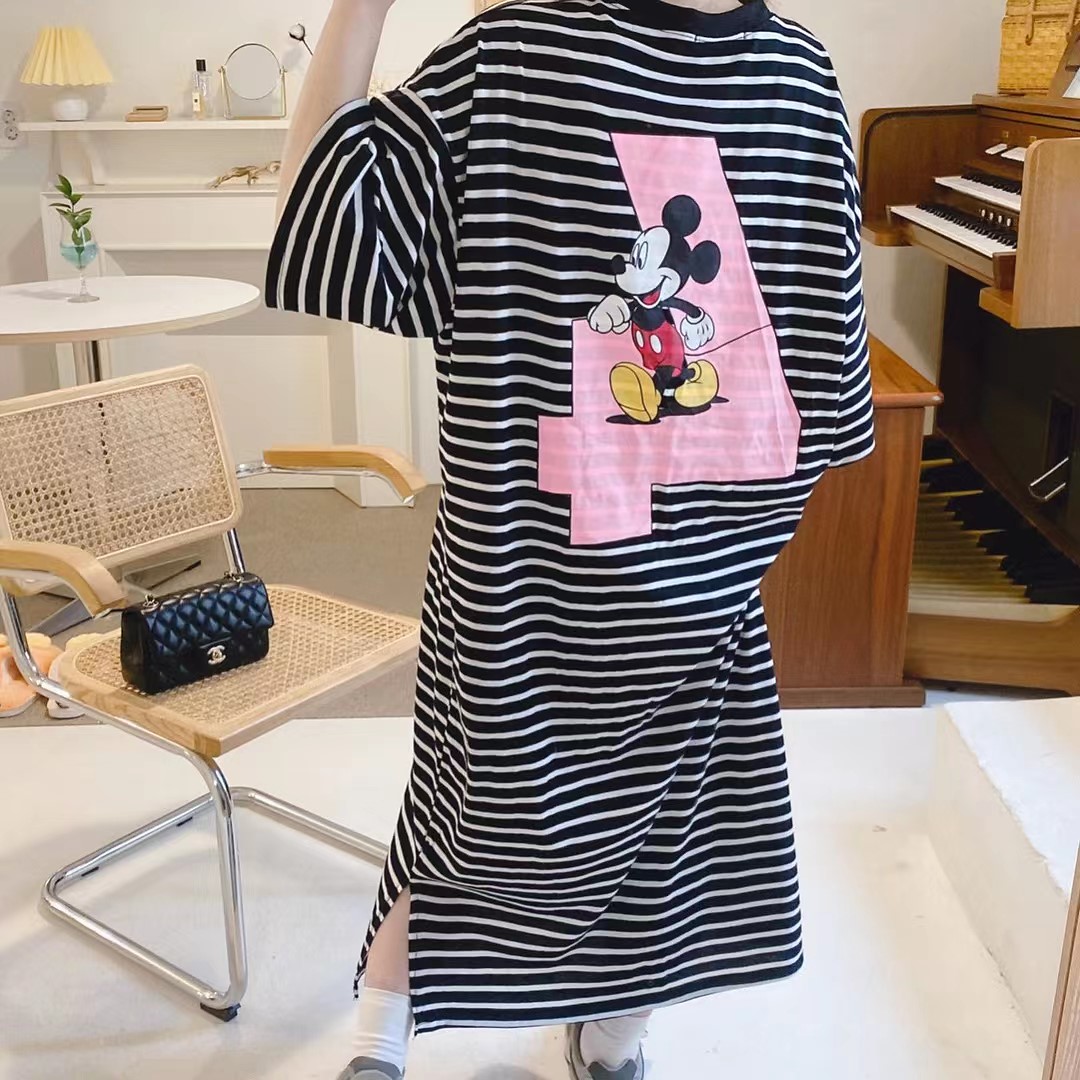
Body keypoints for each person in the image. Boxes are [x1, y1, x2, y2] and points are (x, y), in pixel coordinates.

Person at [268, 0, 874, 1076]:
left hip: (591, 585)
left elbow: (322, 220)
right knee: (576, 822)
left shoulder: (539, 57)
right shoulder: (767, 75)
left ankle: (521, 1035)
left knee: (547, 818)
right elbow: (829, 396)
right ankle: (486, 1035)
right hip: (608, 581)